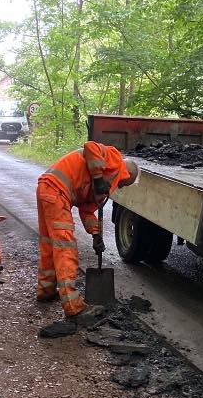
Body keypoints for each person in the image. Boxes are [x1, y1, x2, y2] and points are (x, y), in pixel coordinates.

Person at [37, 141, 139, 334]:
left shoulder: (105, 182)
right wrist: (99, 177)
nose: (123, 188)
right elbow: (91, 146)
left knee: (49, 244)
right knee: (65, 248)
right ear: (127, 176)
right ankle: (74, 308)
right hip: (57, 191)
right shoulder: (115, 160)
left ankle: (46, 290)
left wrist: (96, 234)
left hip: (47, 188)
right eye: (125, 184)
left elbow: (87, 210)